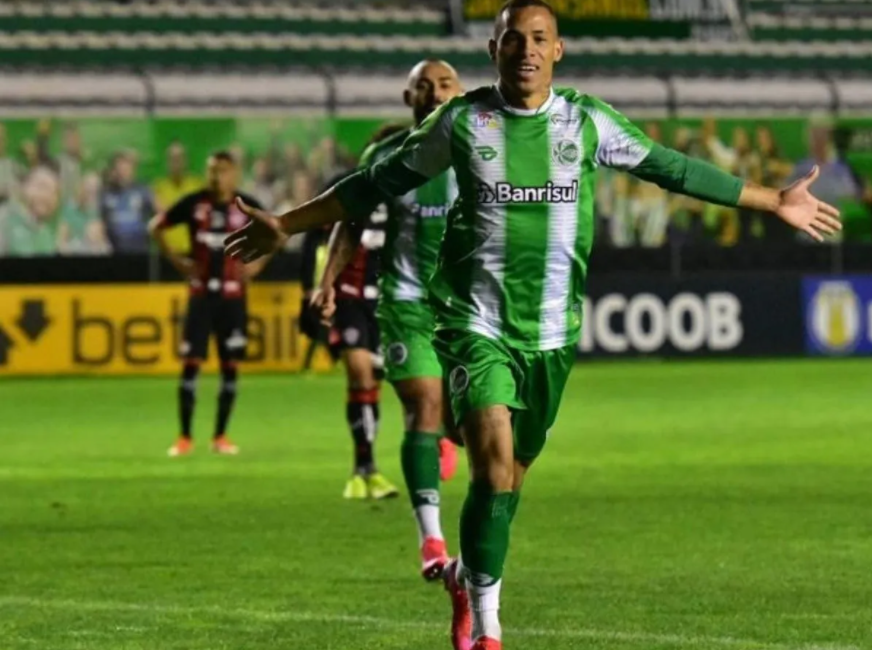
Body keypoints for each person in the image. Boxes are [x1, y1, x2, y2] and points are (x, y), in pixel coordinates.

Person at [225, 1, 841, 647]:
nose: (525, 50)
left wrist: (772, 199)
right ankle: (489, 628)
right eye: (512, 39)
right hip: (475, 322)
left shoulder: (587, 121)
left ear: (558, 50)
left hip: (550, 333)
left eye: (538, 39)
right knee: (490, 463)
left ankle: (468, 574)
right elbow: (370, 184)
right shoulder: (462, 122)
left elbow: (673, 168)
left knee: (509, 480)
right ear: (493, 51)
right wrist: (286, 224)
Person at [312, 60, 463, 581]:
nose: (435, 93)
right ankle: (432, 540)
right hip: (405, 302)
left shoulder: (487, 150)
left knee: (475, 423)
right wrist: (328, 279)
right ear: (409, 97)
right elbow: (349, 221)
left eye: (445, 84)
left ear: (460, 93)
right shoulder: (386, 155)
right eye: (424, 86)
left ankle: (448, 429)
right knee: (422, 401)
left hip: (470, 307)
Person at [149, 151, 272, 457]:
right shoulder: (194, 203)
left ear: (235, 174)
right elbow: (156, 227)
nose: (217, 177)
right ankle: (184, 437)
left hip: (233, 299)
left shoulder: (245, 204)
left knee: (230, 367)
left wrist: (257, 266)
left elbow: (276, 231)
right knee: (191, 365)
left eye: (223, 171)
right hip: (201, 296)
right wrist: (178, 261)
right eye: (212, 171)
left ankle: (220, 436)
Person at [300, 139, 400, 501]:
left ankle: (375, 465)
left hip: (391, 300)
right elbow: (316, 240)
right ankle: (364, 466)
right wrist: (312, 290)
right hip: (348, 298)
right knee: (359, 371)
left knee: (380, 380)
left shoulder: (406, 193)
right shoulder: (347, 190)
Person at [100, 151, 154, 253]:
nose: (123, 172)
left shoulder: (143, 190)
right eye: (119, 168)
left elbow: (161, 212)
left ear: (133, 169)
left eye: (126, 168)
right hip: (115, 252)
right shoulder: (106, 193)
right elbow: (100, 219)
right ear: (114, 171)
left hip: (140, 251)